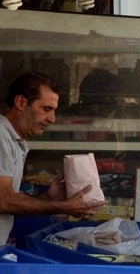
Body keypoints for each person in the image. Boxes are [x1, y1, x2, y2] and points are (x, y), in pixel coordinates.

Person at [0, 72, 107, 244]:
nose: (52, 118)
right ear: (21, 103)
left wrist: (49, 198)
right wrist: (61, 206)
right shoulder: (1, 137)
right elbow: (4, 201)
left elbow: (9, 201)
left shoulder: (14, 141)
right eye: (46, 109)